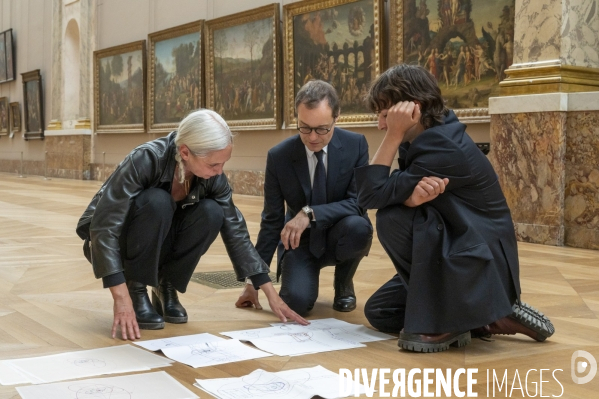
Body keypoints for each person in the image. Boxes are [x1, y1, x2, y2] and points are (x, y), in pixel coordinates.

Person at [354, 64, 554, 352]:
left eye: (385, 116)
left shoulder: (443, 145)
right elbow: (390, 187)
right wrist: (408, 196)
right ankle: (487, 314)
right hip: (459, 250)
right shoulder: (431, 135)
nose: (381, 125)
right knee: (381, 312)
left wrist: (393, 136)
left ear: (414, 109)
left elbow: (370, 195)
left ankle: (458, 318)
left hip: (478, 260)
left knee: (391, 219)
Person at [76, 109, 307, 340]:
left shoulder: (213, 177)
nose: (219, 172)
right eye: (213, 165)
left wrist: (269, 292)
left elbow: (235, 230)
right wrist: (121, 296)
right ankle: (136, 288)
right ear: (185, 152)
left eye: (223, 164)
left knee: (212, 212)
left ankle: (166, 287)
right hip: (116, 245)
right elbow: (104, 228)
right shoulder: (146, 159)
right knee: (157, 202)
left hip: (159, 244)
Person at [236, 80, 373, 316]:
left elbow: (357, 203)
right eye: (304, 127)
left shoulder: (356, 145)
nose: (312, 137)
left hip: (342, 233)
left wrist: (309, 213)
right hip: (300, 242)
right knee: (296, 303)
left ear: (336, 118)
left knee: (359, 228)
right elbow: (271, 221)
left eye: (322, 129)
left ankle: (343, 283)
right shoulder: (279, 157)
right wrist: (253, 282)